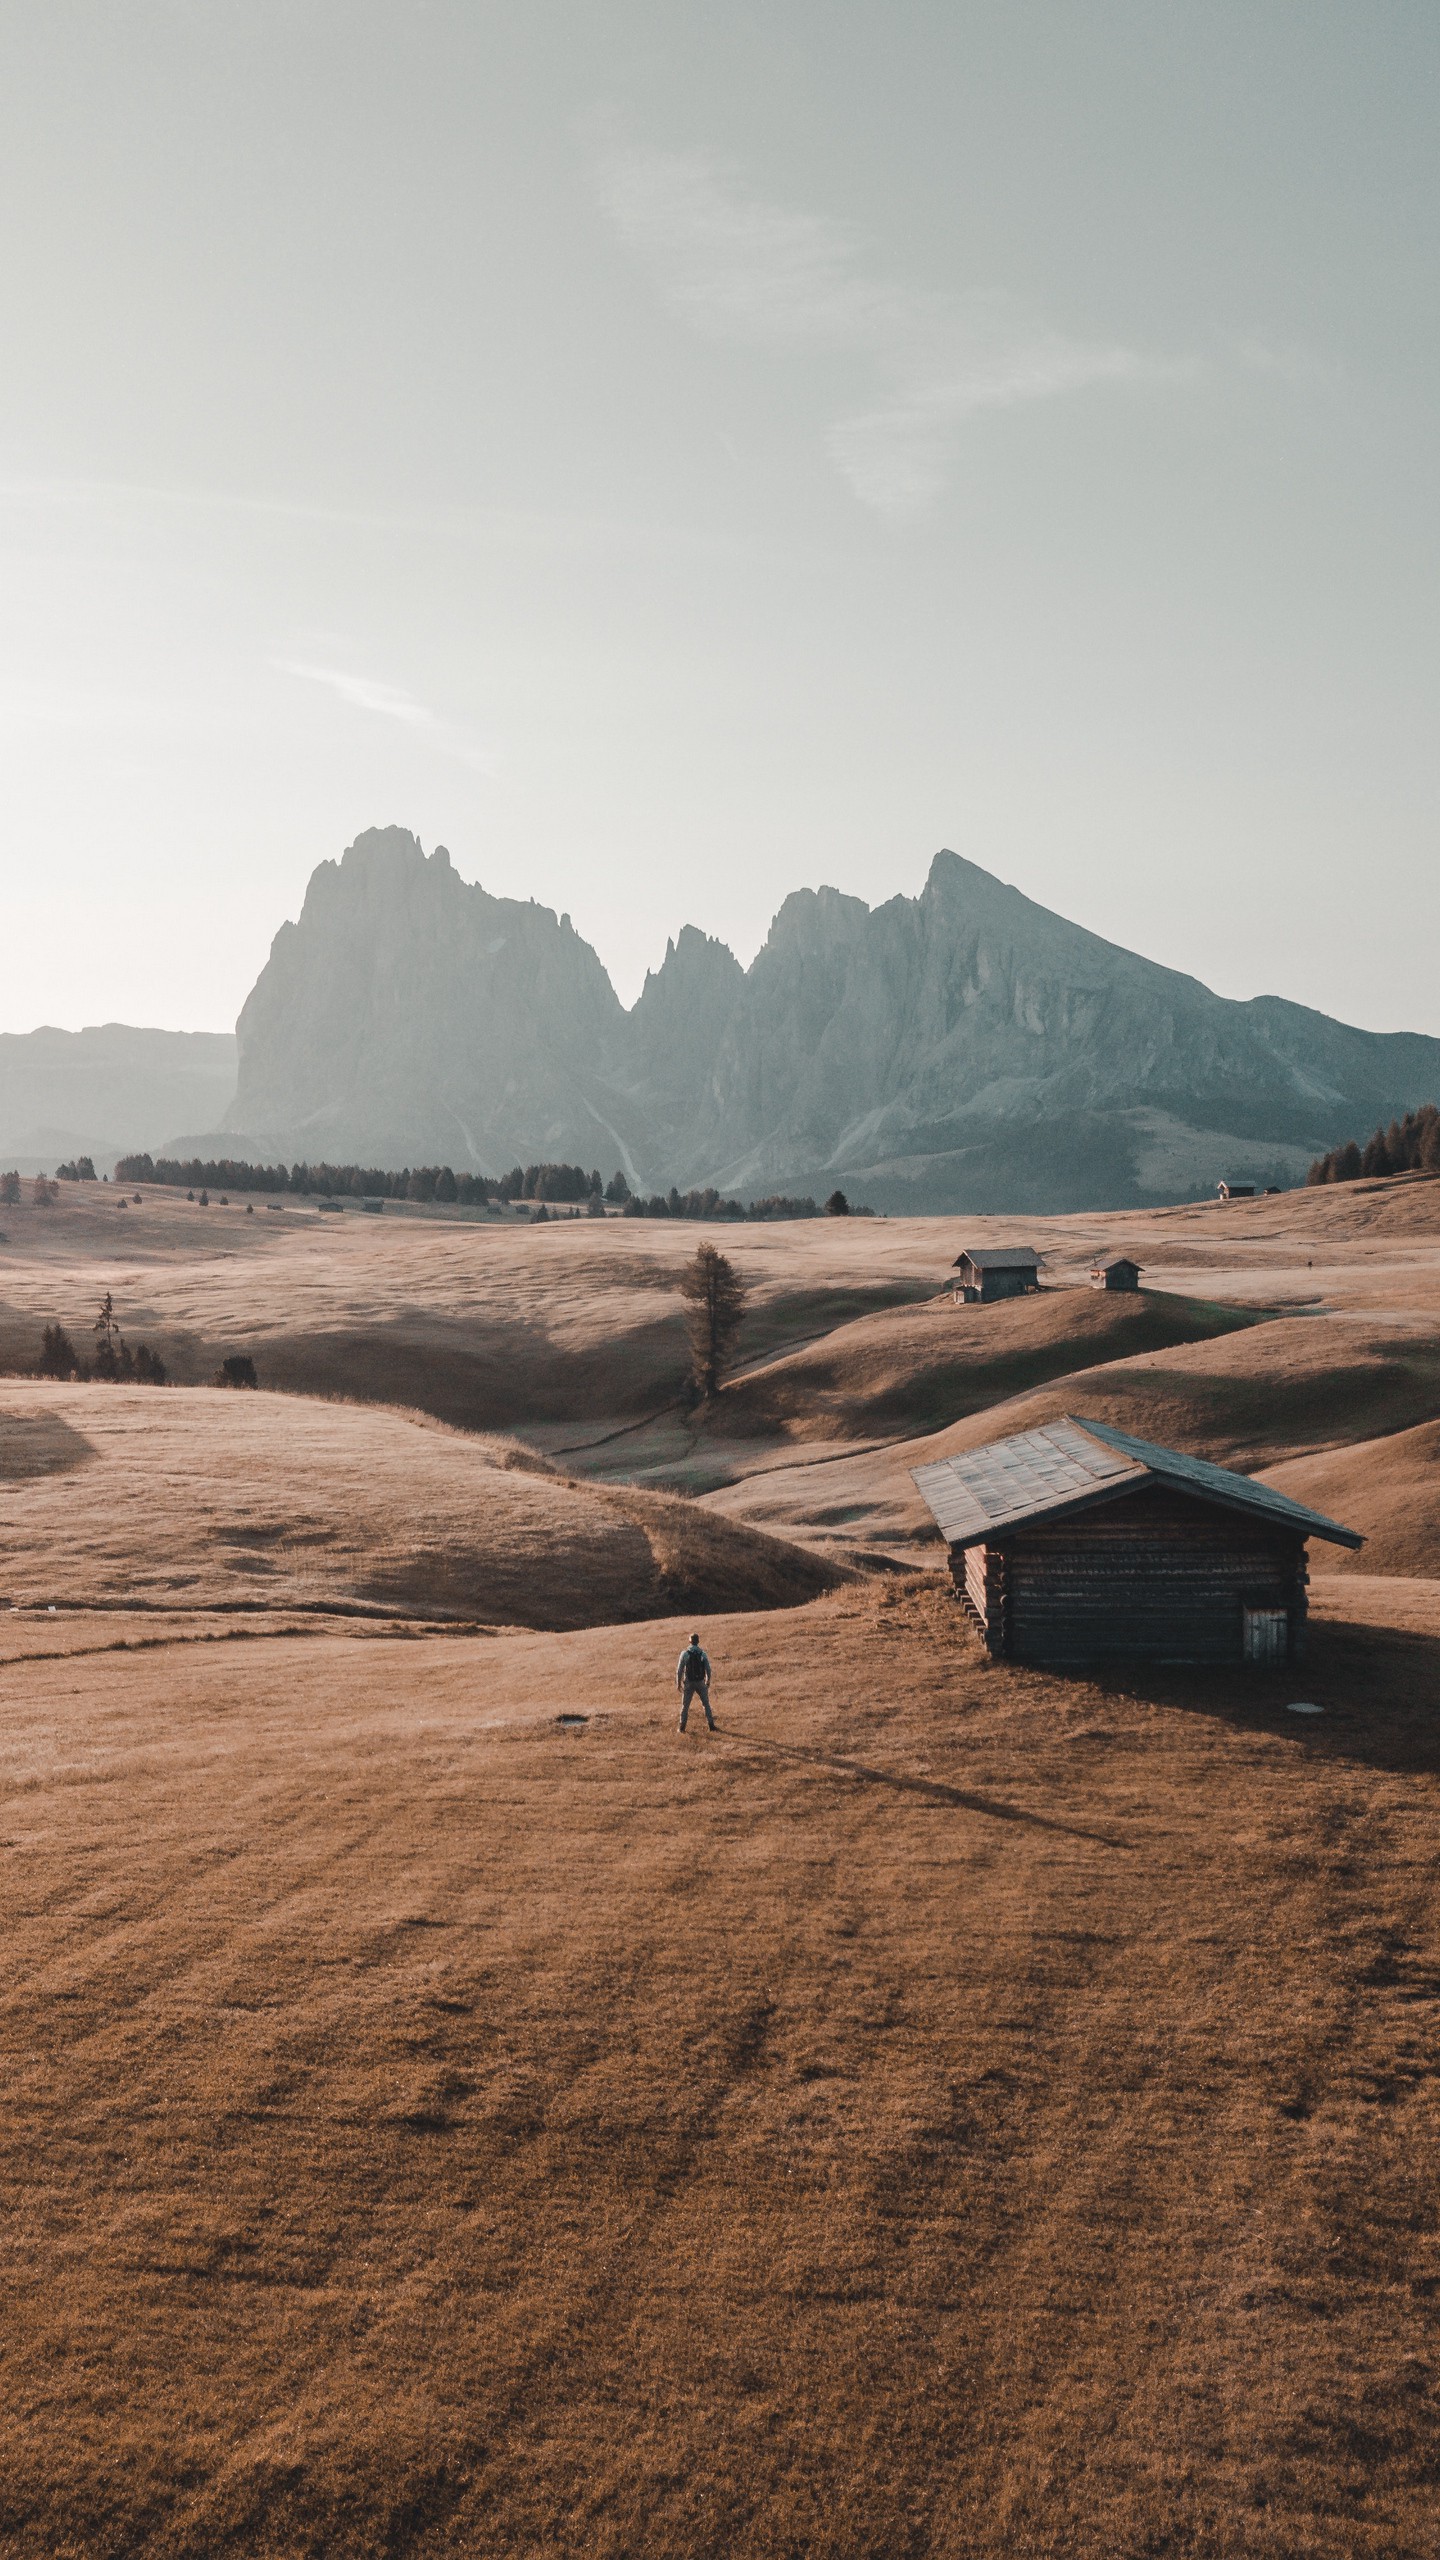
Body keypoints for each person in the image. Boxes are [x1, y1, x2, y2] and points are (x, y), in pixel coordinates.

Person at [675, 1631, 715, 1732]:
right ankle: (711, 1726)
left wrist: (678, 1683)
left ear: (689, 1641)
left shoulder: (684, 1653)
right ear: (698, 1641)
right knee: (706, 1704)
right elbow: (708, 1669)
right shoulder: (703, 1653)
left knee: (685, 1706)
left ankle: (682, 1728)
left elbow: (679, 1670)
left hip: (688, 1682)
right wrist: (708, 1680)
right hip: (701, 1682)